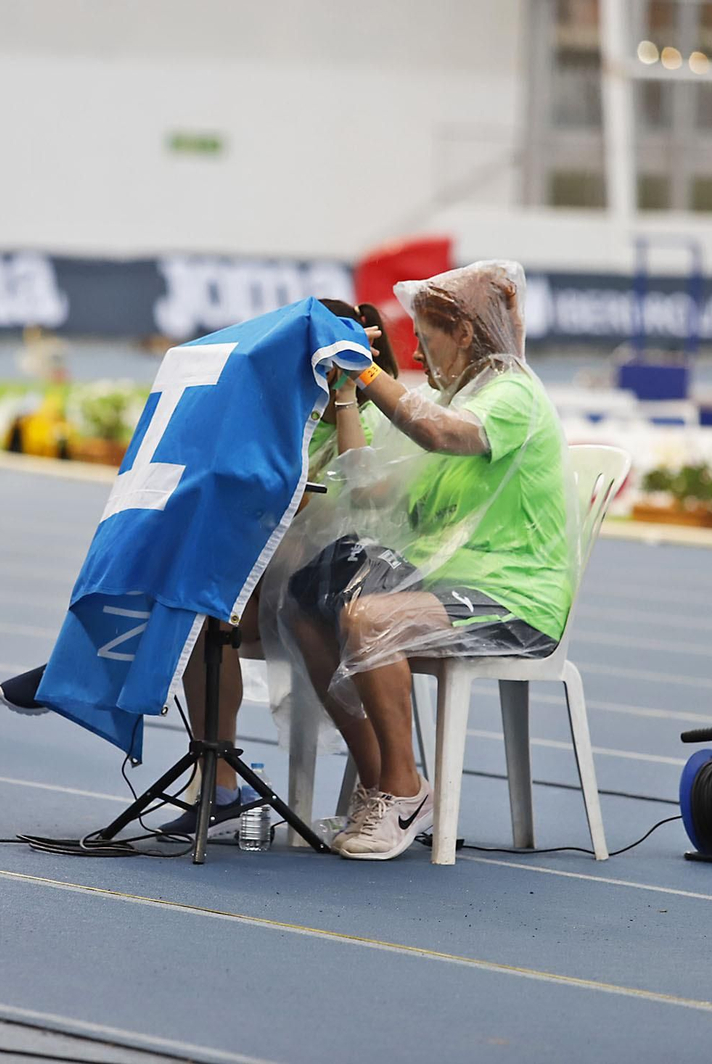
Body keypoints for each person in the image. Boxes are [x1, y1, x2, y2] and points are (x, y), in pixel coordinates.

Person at [268, 260, 580, 860]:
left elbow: (438, 434)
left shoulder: (510, 393)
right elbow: (368, 489)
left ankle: (406, 788)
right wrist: (347, 389)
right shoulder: (448, 397)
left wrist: (366, 367)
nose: (412, 345)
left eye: (425, 331)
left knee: (370, 619)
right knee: (309, 593)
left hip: (518, 598)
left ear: (464, 331)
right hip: (455, 581)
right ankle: (381, 783)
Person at [155, 299, 399, 836]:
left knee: (206, 599)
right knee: (200, 610)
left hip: (333, 598)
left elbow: (352, 495)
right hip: (272, 589)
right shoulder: (285, 417)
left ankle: (98, 654)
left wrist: (348, 394)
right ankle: (218, 781)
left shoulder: (381, 418)